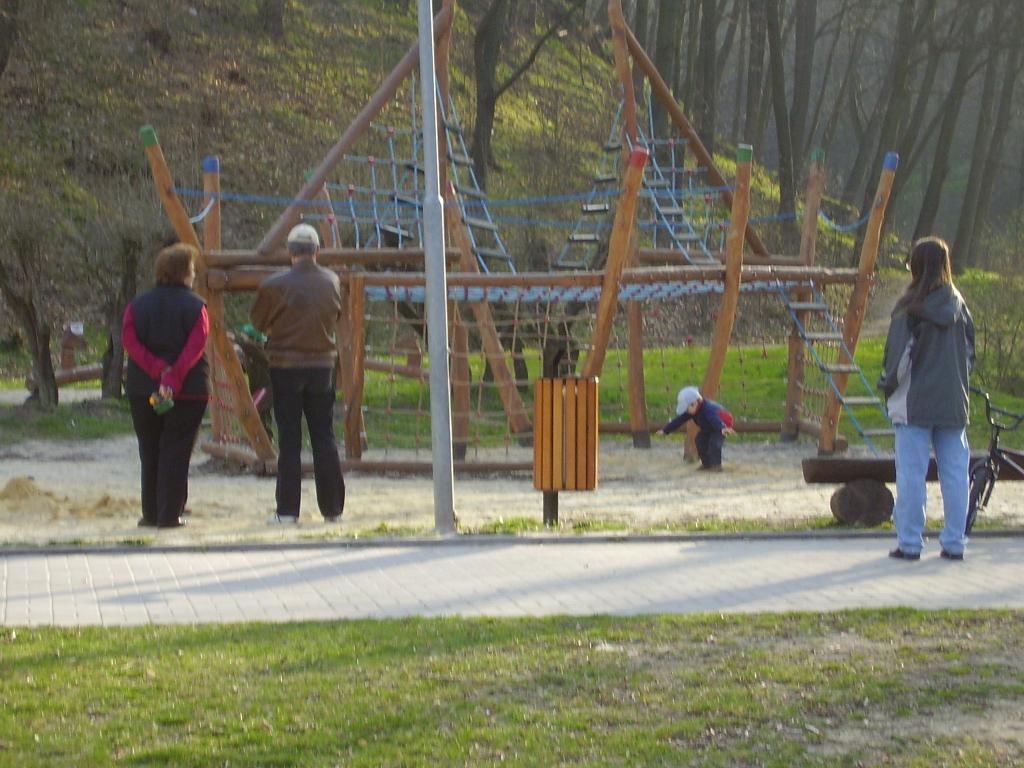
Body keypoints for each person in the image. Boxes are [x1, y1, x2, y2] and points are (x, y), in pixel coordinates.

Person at [879, 236, 975, 562]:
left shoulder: (910, 310)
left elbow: (898, 361)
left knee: (911, 475)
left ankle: (910, 542)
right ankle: (955, 542)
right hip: (953, 401)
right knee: (955, 475)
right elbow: (969, 355)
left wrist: (888, 386)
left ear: (915, 266)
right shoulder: (959, 307)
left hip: (915, 402)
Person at [250, 223, 345, 524]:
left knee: (289, 440)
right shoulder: (332, 281)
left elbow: (258, 321)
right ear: (317, 251)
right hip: (323, 366)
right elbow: (337, 314)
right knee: (324, 436)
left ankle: (288, 511)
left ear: (290, 252)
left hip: (285, 366)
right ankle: (333, 509)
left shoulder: (273, 284)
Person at [122, 242, 209, 529]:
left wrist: (157, 370)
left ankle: (150, 513)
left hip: (142, 388)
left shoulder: (136, 305)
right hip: (188, 390)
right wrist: (171, 376)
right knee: (176, 451)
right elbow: (196, 346)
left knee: (149, 450)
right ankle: (170, 513)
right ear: (183, 272)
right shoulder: (197, 307)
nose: (194, 274)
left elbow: (130, 342)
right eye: (192, 269)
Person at [658, 385, 734, 470]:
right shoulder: (692, 410)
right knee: (699, 440)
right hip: (708, 427)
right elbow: (679, 420)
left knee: (714, 444)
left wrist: (722, 428)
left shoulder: (707, 409)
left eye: (687, 408)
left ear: (695, 403)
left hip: (721, 426)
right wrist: (665, 430)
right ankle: (707, 464)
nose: (687, 411)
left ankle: (716, 465)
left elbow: (714, 419)